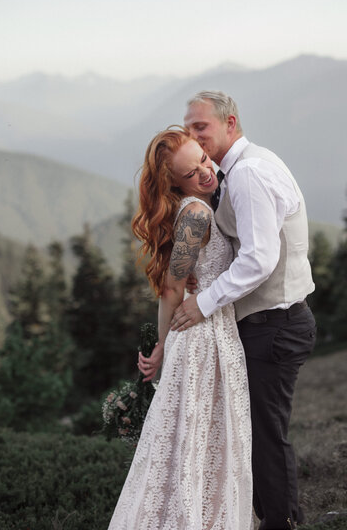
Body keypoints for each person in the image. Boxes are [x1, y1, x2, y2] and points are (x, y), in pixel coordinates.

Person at [169, 91, 317, 530]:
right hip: (269, 322)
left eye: (201, 127)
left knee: (265, 435)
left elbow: (259, 259)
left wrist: (202, 303)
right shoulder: (233, 170)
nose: (193, 134)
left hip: (275, 322)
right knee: (256, 430)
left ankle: (281, 522)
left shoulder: (249, 173)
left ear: (229, 123)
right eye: (188, 126)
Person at [108, 128, 253, 530]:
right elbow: (172, 287)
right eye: (192, 172)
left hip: (214, 330)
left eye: (204, 160)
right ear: (174, 181)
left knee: (201, 441)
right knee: (196, 442)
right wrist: (164, 347)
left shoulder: (199, 206)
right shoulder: (195, 213)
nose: (206, 172)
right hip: (202, 339)